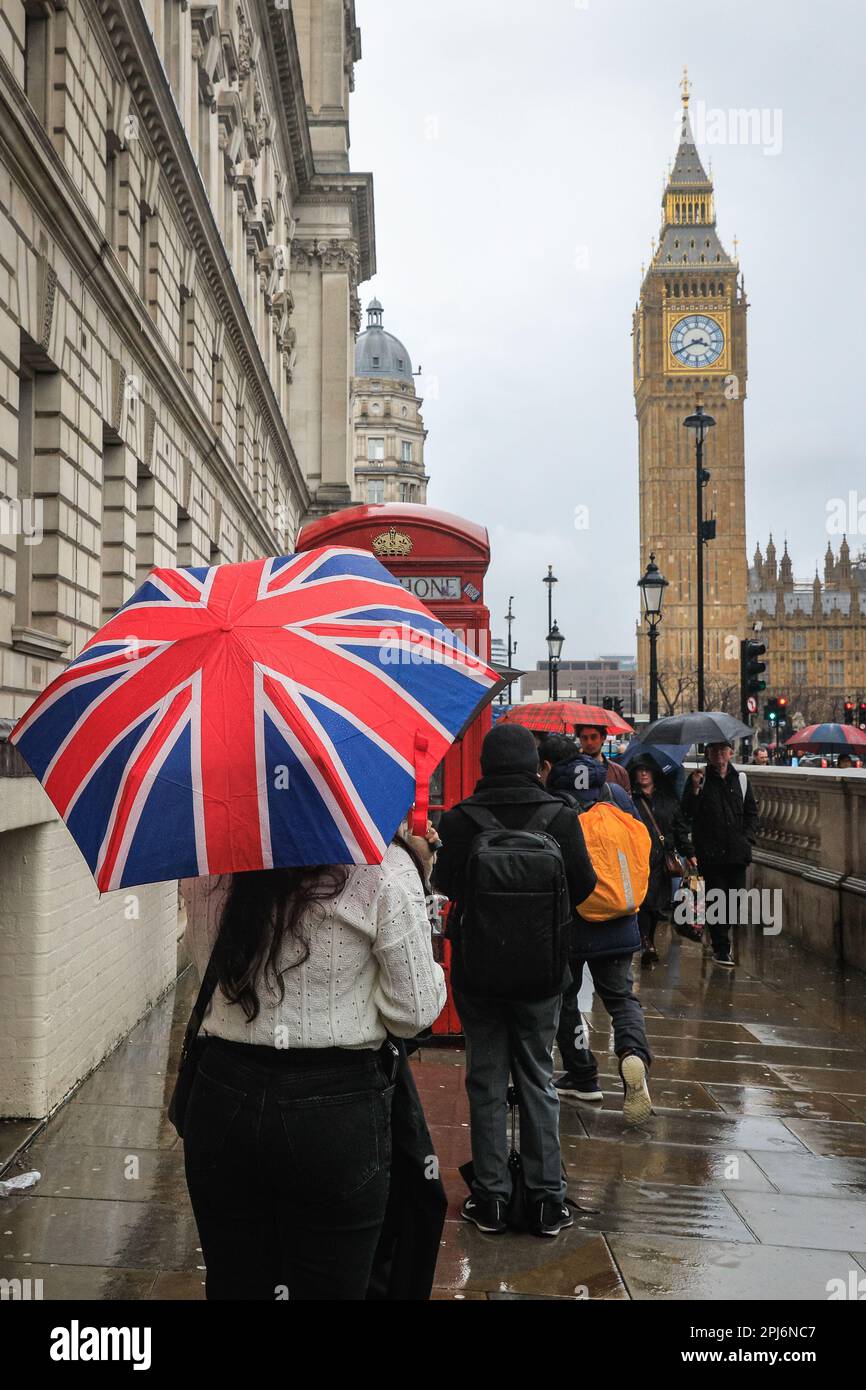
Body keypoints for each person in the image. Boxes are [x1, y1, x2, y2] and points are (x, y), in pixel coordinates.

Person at [182, 832, 446, 1300]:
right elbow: (414, 1013)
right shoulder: (380, 867)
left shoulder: (207, 860)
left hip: (222, 1095)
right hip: (334, 1110)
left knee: (235, 1280)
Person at [433, 724, 596, 1238]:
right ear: (534, 764)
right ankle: (548, 1201)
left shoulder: (462, 820)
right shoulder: (560, 817)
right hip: (541, 975)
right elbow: (585, 886)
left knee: (485, 1080)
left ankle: (492, 1199)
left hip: (478, 975)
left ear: (483, 765)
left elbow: (444, 884)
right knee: (538, 1077)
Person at [539, 737, 654, 1128]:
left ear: (550, 765)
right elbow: (643, 847)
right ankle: (632, 1054)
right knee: (621, 998)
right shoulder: (616, 791)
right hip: (620, 916)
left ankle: (583, 1073)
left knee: (566, 998)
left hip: (575, 917)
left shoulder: (554, 799)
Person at [681, 741, 759, 968]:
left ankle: (722, 936)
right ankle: (721, 947)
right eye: (714, 751)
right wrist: (695, 789)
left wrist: (746, 839)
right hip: (711, 853)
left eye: (723, 750)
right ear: (707, 754)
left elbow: (752, 813)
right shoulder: (699, 779)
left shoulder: (741, 780)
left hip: (736, 853)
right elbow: (687, 812)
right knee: (716, 899)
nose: (719, 755)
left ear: (730, 753)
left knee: (733, 900)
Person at [629, 760, 696, 965]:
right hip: (640, 858)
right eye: (640, 770)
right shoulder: (631, 800)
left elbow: (679, 827)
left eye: (647, 770)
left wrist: (689, 852)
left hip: (662, 858)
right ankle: (646, 941)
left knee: (656, 903)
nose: (644, 774)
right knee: (646, 901)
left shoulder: (667, 799)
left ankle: (647, 939)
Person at [575, 722, 631, 790]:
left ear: (603, 738)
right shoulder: (571, 770)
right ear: (580, 740)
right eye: (584, 738)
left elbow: (625, 799)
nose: (589, 742)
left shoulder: (619, 773)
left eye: (593, 737)